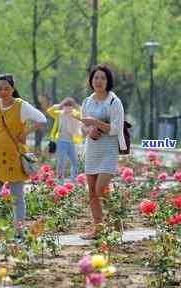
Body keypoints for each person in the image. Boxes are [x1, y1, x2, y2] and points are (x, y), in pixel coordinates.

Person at [0, 74, 47, 238]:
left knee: (17, 196)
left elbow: (42, 120)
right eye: (0, 88)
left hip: (14, 157)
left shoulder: (21, 106)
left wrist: (25, 132)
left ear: (13, 89)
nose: (3, 92)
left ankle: (19, 230)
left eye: (7, 88)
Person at [79, 65, 126, 239]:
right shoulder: (87, 101)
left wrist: (95, 122)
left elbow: (116, 128)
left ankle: (116, 221)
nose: (99, 81)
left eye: (103, 78)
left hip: (108, 150)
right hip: (92, 150)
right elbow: (83, 126)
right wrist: (88, 130)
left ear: (108, 81)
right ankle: (98, 228)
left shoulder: (114, 101)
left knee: (101, 188)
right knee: (92, 191)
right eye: (96, 78)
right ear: (91, 80)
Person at [46, 97, 83, 183]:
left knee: (75, 162)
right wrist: (60, 104)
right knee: (61, 163)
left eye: (70, 105)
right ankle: (60, 181)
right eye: (66, 105)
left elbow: (83, 114)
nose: (68, 107)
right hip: (61, 141)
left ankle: (74, 180)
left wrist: (76, 106)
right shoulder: (59, 114)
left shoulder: (75, 114)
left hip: (71, 142)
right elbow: (49, 111)